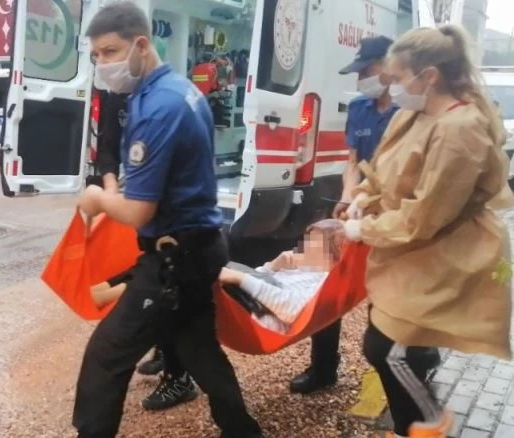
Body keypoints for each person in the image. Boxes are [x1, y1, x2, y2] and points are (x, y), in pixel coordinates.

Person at [73, 3, 263, 437]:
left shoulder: (158, 106)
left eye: (110, 51)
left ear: (141, 44)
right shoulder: (177, 89)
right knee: (198, 349)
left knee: (107, 356)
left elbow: (139, 211)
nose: (103, 63)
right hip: (199, 247)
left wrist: (98, 199)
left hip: (174, 260)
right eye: (96, 55)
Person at [343, 24, 514, 438]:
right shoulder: (415, 113)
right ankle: (415, 423)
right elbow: (384, 169)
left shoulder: (460, 129)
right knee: (391, 344)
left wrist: (363, 228)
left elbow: (425, 216)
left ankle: (426, 425)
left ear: (430, 76)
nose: (393, 86)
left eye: (399, 77)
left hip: (441, 254)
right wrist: (362, 196)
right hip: (409, 254)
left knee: (390, 350)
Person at [289, 35, 403, 395]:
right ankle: (324, 368)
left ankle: (408, 365)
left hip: (392, 220)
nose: (359, 79)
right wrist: (346, 198)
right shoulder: (359, 108)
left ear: (389, 64)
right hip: (356, 212)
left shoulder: (411, 111)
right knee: (328, 285)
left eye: (365, 71)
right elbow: (353, 162)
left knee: (387, 298)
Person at [91, 82, 195, 411]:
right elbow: (107, 147)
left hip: (171, 207)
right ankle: (166, 353)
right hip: (142, 203)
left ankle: (179, 377)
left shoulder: (168, 97)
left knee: (164, 291)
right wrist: (111, 188)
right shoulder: (115, 96)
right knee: (154, 287)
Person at [92, 219, 348, 334]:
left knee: (183, 271)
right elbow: (260, 278)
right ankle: (110, 287)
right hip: (246, 299)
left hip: (254, 313)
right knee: (177, 260)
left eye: (313, 241)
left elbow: (292, 310)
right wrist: (274, 265)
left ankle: (113, 290)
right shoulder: (303, 269)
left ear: (333, 252)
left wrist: (238, 278)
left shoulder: (322, 282)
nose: (304, 245)